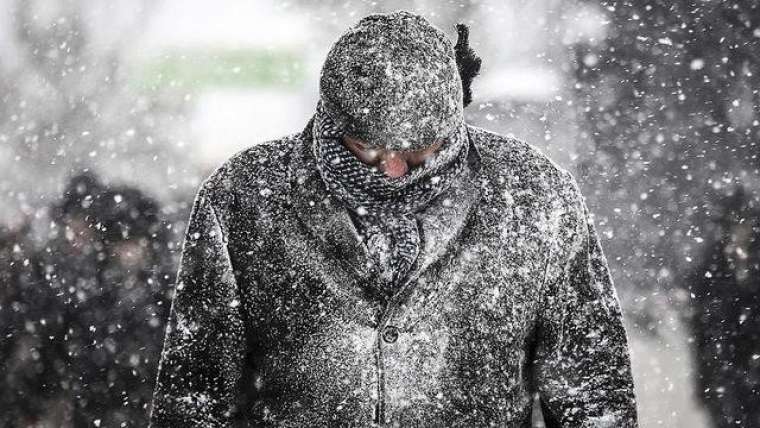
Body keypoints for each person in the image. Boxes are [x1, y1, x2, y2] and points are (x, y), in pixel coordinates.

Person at [149, 10, 638, 427]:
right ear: (331, 120)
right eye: (367, 148)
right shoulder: (244, 197)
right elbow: (196, 392)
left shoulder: (535, 197)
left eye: (419, 150)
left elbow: (592, 391)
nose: (394, 170)